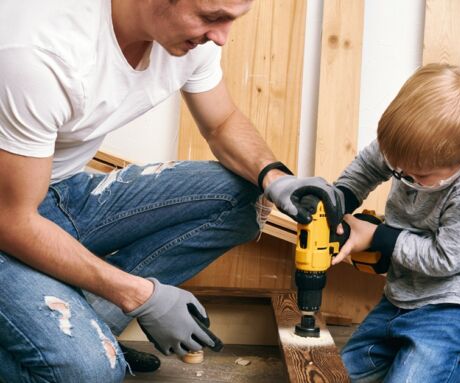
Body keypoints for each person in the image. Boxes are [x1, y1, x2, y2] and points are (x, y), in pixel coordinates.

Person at [0, 0, 344, 381]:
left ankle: (85, 327)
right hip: (9, 215)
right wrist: (141, 296)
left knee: (241, 194)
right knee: (89, 373)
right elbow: (12, 220)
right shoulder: (38, 52)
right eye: (212, 18)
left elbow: (222, 122)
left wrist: (275, 177)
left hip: (57, 190)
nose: (222, 37)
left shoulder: (188, 43)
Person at [330, 63, 460, 382]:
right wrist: (339, 202)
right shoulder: (408, 147)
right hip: (404, 293)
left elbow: (444, 259)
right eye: (398, 169)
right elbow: (366, 169)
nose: (405, 177)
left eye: (418, 176)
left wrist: (380, 237)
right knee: (346, 373)